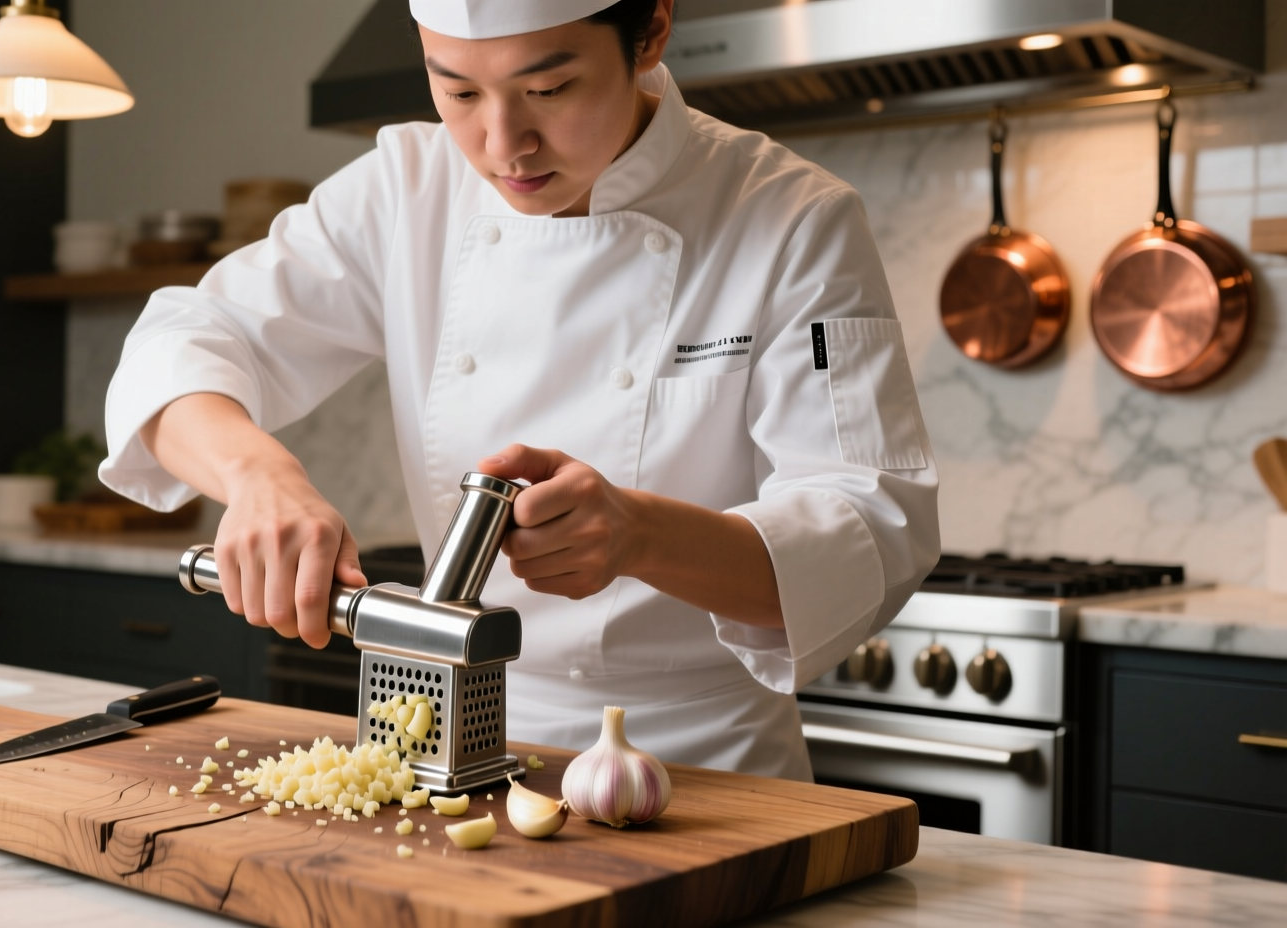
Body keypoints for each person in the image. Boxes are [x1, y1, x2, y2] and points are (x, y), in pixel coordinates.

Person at [100, 0, 940, 780]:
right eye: (457, 89)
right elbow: (183, 340)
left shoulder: (792, 218)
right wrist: (255, 476)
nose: (504, 144)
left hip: (697, 767)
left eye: (551, 87)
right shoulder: (407, 189)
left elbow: (869, 528)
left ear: (651, 32)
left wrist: (641, 534)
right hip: (440, 747)